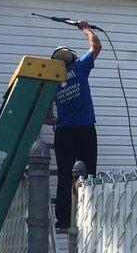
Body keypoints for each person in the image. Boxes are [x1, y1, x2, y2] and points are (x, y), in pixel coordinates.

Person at [49, 20, 102, 229]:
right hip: (85, 130)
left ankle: (63, 219)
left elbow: (46, 111)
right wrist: (84, 28)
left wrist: (54, 113)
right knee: (88, 175)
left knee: (64, 176)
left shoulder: (52, 79)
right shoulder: (80, 67)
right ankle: (87, 215)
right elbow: (96, 46)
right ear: (72, 56)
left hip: (64, 133)